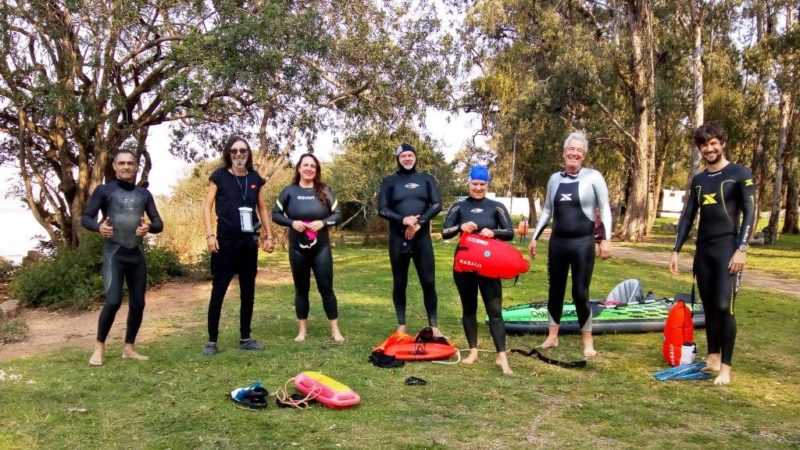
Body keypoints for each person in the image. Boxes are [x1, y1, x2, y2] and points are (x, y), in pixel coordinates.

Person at [669, 122, 754, 385]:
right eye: (704, 145)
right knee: (708, 308)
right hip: (703, 251)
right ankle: (713, 357)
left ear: (722, 143)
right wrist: (676, 250)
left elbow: (750, 212)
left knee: (723, 307)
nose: (709, 148)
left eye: (713, 143)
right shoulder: (698, 180)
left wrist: (741, 249)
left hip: (728, 250)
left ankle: (726, 368)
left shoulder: (739, 174)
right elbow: (687, 217)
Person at [528, 131, 612, 358]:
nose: (574, 153)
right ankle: (552, 336)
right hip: (558, 244)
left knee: (580, 292)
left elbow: (604, 207)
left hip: (583, 244)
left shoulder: (594, 177)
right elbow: (547, 210)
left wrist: (606, 238)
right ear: (564, 153)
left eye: (579, 151)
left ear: (583, 156)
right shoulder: (554, 179)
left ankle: (587, 340)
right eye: (570, 150)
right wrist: (535, 236)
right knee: (555, 290)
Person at [81, 149, 164, 366]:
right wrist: (98, 228)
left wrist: (149, 227)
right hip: (114, 254)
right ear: (115, 166)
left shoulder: (143, 194)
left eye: (130, 163)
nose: (126, 167)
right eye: (122, 163)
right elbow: (86, 218)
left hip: (136, 254)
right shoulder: (104, 191)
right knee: (113, 301)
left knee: (138, 304)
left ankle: (129, 348)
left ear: (136, 166)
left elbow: (158, 223)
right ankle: (99, 348)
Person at [202, 136, 274, 356]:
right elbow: (206, 207)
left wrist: (269, 236)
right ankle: (212, 341)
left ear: (248, 154)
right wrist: (209, 235)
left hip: (248, 242)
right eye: (234, 151)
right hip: (225, 241)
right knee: (219, 290)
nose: (239, 155)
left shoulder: (255, 178)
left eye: (243, 151)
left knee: (248, 290)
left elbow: (262, 209)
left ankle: (245, 337)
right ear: (228, 154)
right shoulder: (219, 176)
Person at [442, 165, 515, 374]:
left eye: (482, 184)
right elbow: (445, 232)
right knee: (469, 309)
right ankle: (473, 351)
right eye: (475, 184)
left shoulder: (496, 206)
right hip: (464, 267)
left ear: (488, 184)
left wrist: (492, 232)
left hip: (489, 267)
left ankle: (501, 355)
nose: (478, 188)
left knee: (495, 311)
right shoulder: (458, 207)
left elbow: (509, 232)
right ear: (469, 183)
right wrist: (460, 227)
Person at [272, 153, 344, 342]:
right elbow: (275, 214)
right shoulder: (289, 191)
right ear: (298, 168)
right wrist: (291, 222)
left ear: (317, 170)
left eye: (313, 166)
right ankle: (302, 331)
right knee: (301, 289)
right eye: (306, 165)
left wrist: (323, 223)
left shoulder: (325, 190)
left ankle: (335, 330)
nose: (309, 168)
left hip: (321, 249)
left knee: (326, 288)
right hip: (297, 249)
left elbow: (337, 214)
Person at [378, 143, 443, 335]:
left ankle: (434, 326)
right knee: (400, 282)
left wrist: (419, 223)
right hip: (399, 239)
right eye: (403, 156)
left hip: (421, 238)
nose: (407, 158)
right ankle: (401, 325)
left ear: (415, 157)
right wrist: (403, 220)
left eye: (410, 155)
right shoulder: (389, 181)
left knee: (428, 282)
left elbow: (437, 204)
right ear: (398, 159)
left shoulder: (426, 179)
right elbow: (382, 208)